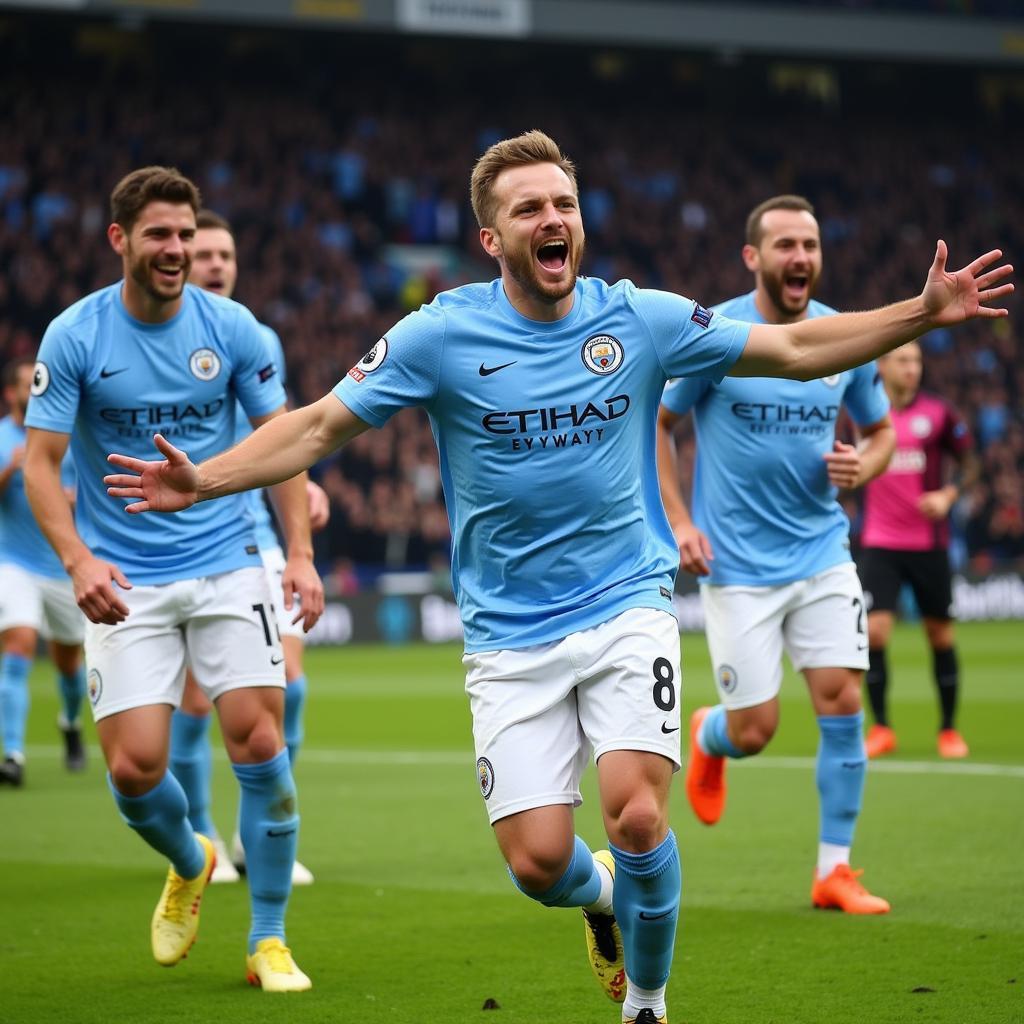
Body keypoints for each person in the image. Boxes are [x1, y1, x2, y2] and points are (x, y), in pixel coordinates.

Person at [102, 132, 1012, 1024]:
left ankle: (648, 1004)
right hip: (508, 635)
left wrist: (919, 312)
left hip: (628, 605)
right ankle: (602, 900)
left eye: (564, 204)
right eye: (528, 207)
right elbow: (316, 427)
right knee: (539, 865)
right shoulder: (439, 334)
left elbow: (796, 350)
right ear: (492, 239)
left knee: (638, 817)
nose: (553, 219)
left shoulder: (640, 318)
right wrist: (208, 478)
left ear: (581, 223)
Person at [24, 167, 324, 993]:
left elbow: (285, 445)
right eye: (159, 234)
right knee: (132, 771)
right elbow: (41, 467)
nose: (177, 250)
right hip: (127, 579)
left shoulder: (233, 330)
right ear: (120, 240)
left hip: (230, 562)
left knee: (261, 742)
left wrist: (296, 554)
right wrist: (79, 561)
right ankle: (188, 854)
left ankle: (268, 939)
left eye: (186, 235)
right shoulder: (76, 336)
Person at [656, 195, 896, 915]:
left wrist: (869, 465)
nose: (801, 257)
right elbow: (659, 427)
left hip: (823, 551)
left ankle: (834, 870)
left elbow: (882, 432)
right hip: (735, 567)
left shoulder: (840, 337)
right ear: (753, 257)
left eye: (811, 245)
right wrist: (677, 521)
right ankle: (710, 733)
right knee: (756, 730)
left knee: (842, 699)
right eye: (786, 244)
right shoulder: (719, 334)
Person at [170, 210, 329, 886]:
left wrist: (305, 492)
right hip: (180, 538)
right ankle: (199, 829)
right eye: (203, 253)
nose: (214, 264)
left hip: (254, 533)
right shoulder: (155, 334)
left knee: (289, 687)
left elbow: (281, 432)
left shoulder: (255, 337)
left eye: (224, 254)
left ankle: (255, 832)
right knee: (197, 699)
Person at [858, 340, 979, 759]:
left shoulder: (940, 414)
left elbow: (970, 465)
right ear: (883, 364)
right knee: (874, 632)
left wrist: (948, 495)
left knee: (939, 634)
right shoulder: (863, 412)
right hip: (879, 541)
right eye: (903, 360)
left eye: (916, 361)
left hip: (929, 543)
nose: (912, 368)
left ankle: (948, 729)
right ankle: (883, 728)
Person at [0, 357, 87, 786]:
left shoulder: (62, 437)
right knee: (17, 646)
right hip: (13, 562)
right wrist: (10, 470)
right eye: (24, 384)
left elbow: (90, 488)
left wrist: (73, 499)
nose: (32, 391)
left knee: (70, 665)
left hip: (61, 564)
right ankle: (12, 754)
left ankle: (70, 722)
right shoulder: (2, 440)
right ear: (10, 394)